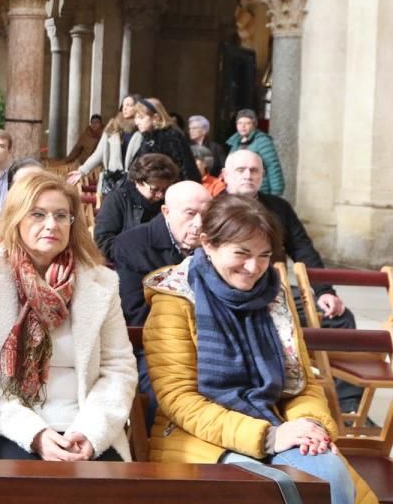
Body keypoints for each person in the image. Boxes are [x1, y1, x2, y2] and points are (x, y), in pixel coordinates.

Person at [143, 194, 374, 504]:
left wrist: (311, 426)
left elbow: (302, 384)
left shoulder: (274, 298)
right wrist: (268, 437)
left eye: (264, 255)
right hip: (199, 436)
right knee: (260, 490)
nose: (253, 267)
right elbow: (179, 400)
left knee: (330, 479)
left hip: (278, 421)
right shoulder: (176, 299)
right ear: (209, 244)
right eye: (241, 253)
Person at [0, 172, 135, 461]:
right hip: (11, 424)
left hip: (85, 423)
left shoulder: (100, 282)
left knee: (103, 485)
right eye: (38, 214)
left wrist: (92, 433)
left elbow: (119, 368)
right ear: (16, 218)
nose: (51, 225)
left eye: (61, 215)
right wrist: (35, 434)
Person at [222, 151, 353, 330]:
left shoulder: (279, 207)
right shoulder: (213, 208)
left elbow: (302, 249)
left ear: (262, 175)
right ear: (225, 175)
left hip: (274, 289)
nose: (248, 175)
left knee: (338, 316)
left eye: (254, 170)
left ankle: (327, 359)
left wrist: (325, 292)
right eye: (241, 170)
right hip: (228, 291)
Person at [114, 181, 211, 328]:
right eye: (190, 214)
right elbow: (136, 314)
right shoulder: (132, 245)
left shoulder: (218, 242)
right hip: (160, 337)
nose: (198, 223)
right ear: (166, 212)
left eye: (205, 214)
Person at [93, 153, 180, 262]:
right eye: (154, 189)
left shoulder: (169, 202)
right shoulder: (117, 200)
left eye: (165, 189)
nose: (160, 195)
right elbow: (103, 242)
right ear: (138, 182)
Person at [66, 94, 140, 194]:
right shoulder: (112, 128)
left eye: (129, 105)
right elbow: (98, 153)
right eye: (123, 105)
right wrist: (82, 171)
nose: (125, 108)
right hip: (111, 181)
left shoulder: (142, 130)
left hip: (133, 182)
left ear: (138, 107)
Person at [131, 98, 199, 183]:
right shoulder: (148, 138)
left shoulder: (171, 137)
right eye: (136, 118)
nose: (136, 122)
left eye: (141, 117)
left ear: (155, 117)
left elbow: (184, 169)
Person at [226, 108, 285, 196]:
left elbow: (273, 166)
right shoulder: (235, 142)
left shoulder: (262, 141)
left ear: (254, 125)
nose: (243, 126)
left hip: (260, 190)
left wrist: (276, 193)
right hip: (239, 189)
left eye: (247, 123)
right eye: (240, 123)